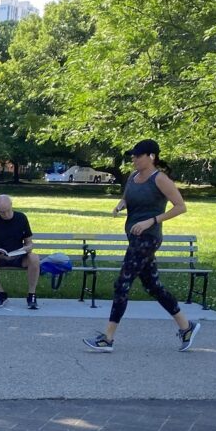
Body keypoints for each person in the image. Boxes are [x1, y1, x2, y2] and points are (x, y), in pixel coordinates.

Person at [83, 139, 200, 352]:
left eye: (138, 155)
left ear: (151, 157)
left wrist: (152, 220)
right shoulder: (133, 177)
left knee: (122, 283)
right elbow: (129, 196)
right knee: (152, 285)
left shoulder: (160, 179)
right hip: (134, 237)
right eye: (133, 155)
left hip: (149, 238)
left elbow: (181, 207)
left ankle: (107, 338)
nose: (134, 159)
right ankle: (186, 327)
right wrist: (121, 204)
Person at [0, 194, 40, 309]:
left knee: (34, 258)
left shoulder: (21, 218)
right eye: (2, 212)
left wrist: (27, 248)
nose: (5, 214)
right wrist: (0, 255)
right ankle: (1, 293)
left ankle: (32, 294)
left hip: (19, 256)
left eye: (7, 210)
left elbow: (29, 242)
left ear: (11, 205)